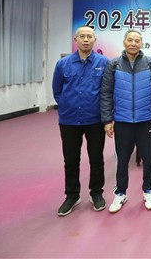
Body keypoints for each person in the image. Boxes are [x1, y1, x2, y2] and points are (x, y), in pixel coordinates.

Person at [101, 30, 151, 213]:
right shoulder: (113, 64)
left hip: (146, 120)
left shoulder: (150, 64)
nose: (133, 43)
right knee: (122, 159)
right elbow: (106, 93)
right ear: (124, 42)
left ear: (141, 44)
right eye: (130, 40)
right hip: (122, 120)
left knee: (148, 158)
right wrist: (107, 119)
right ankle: (120, 192)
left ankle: (148, 190)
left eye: (137, 40)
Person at [52, 26, 109, 216]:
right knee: (71, 160)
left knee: (96, 159)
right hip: (69, 120)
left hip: (95, 120)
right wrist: (66, 105)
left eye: (89, 36)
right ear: (75, 40)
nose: (86, 39)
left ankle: (96, 193)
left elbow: (107, 91)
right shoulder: (63, 64)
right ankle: (72, 195)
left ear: (94, 40)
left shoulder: (104, 63)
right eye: (82, 36)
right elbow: (57, 90)